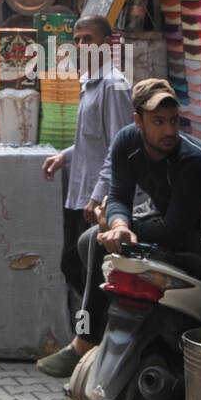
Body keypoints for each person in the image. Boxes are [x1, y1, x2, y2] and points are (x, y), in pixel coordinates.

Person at [37, 78, 201, 377]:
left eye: (174, 121)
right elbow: (119, 194)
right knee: (89, 241)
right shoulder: (127, 141)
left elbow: (176, 232)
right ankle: (92, 333)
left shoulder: (192, 161)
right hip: (167, 225)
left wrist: (120, 225)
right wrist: (119, 224)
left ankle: (84, 341)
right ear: (138, 121)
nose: (169, 131)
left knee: (98, 238)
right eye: (158, 121)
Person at [41, 15, 132, 296]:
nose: (80, 46)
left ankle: (93, 332)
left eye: (88, 39)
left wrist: (98, 196)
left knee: (88, 269)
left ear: (106, 44)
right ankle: (87, 331)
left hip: (97, 199)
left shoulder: (112, 86)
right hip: (80, 191)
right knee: (72, 263)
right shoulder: (88, 81)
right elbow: (90, 139)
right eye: (77, 40)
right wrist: (65, 156)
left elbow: (120, 148)